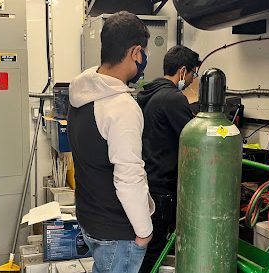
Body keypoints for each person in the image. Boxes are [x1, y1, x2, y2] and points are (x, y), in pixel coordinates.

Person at [67, 11, 155, 273]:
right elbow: (129, 176)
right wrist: (144, 230)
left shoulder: (81, 91)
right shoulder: (121, 106)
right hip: (118, 230)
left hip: (90, 218)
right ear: (136, 52)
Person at [137, 45, 201, 273]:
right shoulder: (173, 98)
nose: (193, 80)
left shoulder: (148, 93)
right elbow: (195, 139)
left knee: (147, 247)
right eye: (194, 73)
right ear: (182, 70)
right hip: (163, 188)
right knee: (156, 249)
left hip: (147, 182)